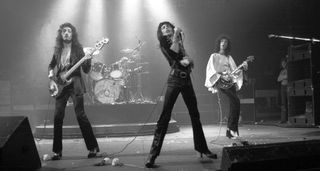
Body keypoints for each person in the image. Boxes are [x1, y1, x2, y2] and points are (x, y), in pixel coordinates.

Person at [145, 21, 217, 168]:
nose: (165, 28)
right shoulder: (164, 43)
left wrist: (190, 60)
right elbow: (174, 53)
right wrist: (177, 36)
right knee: (165, 116)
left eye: (167, 26)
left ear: (172, 28)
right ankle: (152, 155)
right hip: (174, 80)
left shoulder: (178, 40)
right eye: (162, 28)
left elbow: (185, 58)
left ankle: (202, 148)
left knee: (194, 114)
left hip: (186, 80)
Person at [48, 22, 100, 160]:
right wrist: (52, 79)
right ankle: (57, 151)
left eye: (69, 31)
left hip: (75, 84)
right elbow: (51, 66)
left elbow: (86, 70)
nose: (66, 33)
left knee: (80, 116)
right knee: (57, 117)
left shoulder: (78, 49)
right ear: (61, 34)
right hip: (60, 85)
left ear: (73, 34)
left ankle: (93, 148)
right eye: (64, 31)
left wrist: (89, 59)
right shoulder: (57, 50)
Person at [205, 35, 248, 139]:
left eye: (226, 42)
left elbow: (234, 71)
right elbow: (211, 70)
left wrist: (242, 67)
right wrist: (221, 73)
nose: (223, 43)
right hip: (220, 81)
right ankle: (231, 130)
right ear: (219, 43)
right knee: (235, 102)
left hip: (229, 82)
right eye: (222, 42)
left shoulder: (229, 57)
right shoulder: (214, 56)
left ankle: (231, 130)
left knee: (235, 103)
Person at [277, 55, 288, 124]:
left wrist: (283, 77)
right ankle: (283, 119)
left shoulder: (289, 69)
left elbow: (288, 76)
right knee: (283, 103)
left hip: (288, 86)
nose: (283, 64)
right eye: (282, 63)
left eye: (284, 63)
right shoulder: (282, 71)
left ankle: (288, 119)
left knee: (288, 103)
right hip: (282, 87)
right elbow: (278, 79)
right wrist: (284, 77)